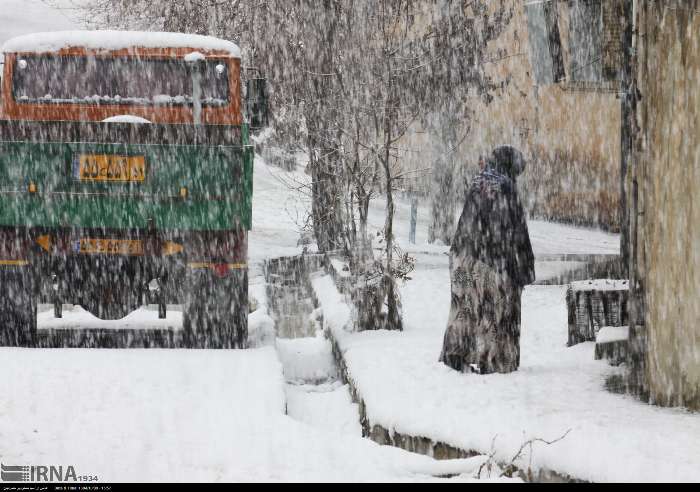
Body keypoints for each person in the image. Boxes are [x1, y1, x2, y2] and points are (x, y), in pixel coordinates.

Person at [439, 146, 536, 374]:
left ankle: (456, 352)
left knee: (463, 307)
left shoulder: (478, 182)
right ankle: (494, 360)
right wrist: (525, 267)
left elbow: (470, 219)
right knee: (497, 310)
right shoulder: (506, 187)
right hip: (493, 258)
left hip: (463, 253)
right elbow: (517, 230)